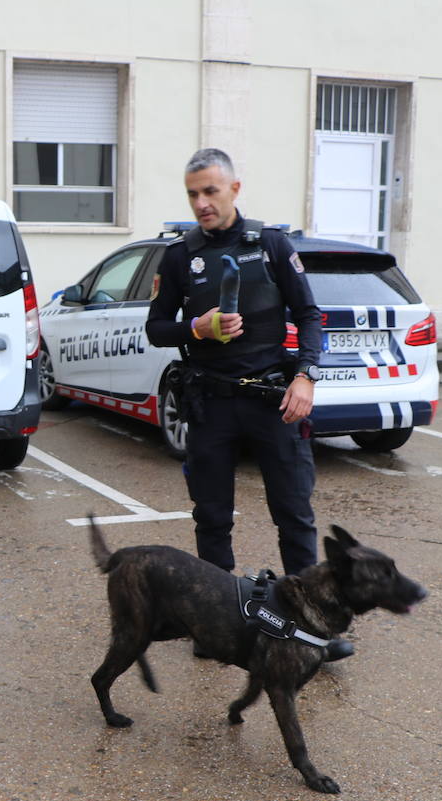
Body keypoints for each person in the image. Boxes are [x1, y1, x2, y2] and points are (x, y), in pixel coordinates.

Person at [145, 148, 324, 578]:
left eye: (210, 191)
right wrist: (195, 329)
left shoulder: (271, 245)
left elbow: (309, 316)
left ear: (234, 189)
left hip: (273, 399)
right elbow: (155, 329)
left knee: (294, 512)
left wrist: (305, 377)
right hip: (211, 402)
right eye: (193, 194)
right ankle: (218, 614)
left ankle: (308, 619)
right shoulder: (179, 256)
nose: (201, 203)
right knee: (211, 517)